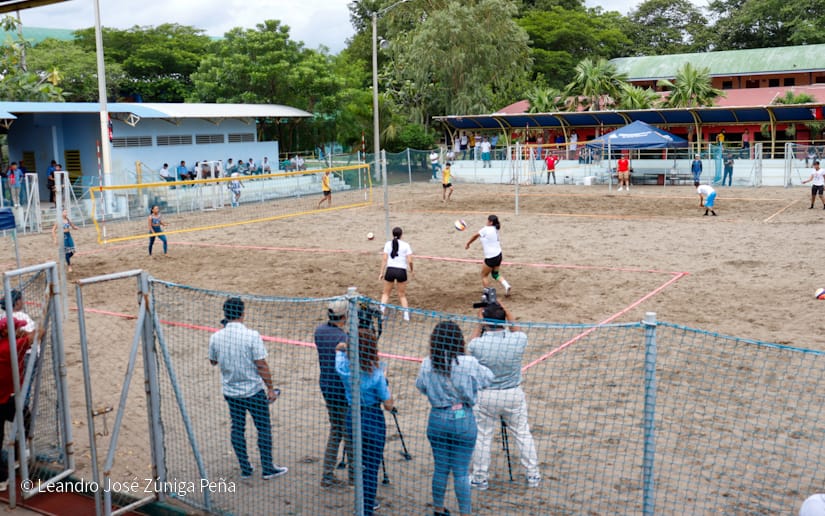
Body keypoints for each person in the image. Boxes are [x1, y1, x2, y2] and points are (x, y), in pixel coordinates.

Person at [417, 321, 493, 516]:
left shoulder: (427, 363)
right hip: (462, 416)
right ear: (458, 340)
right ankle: (465, 513)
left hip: (438, 417)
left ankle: (438, 509)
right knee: (461, 471)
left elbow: (421, 386)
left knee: (441, 468)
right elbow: (488, 378)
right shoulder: (468, 362)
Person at [208, 297, 288, 480]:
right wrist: (270, 388)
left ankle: (245, 467)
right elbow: (261, 365)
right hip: (253, 391)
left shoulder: (216, 337)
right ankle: (267, 467)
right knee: (263, 428)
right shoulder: (251, 335)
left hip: (231, 392)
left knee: (237, 428)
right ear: (243, 313)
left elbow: (213, 361)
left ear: (225, 314)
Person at [469, 302, 541, 491]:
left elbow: (472, 343)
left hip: (486, 395)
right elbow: (518, 331)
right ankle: (533, 474)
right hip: (512, 393)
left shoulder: (478, 344)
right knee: (522, 433)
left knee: (483, 437)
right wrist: (508, 313)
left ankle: (480, 477)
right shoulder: (518, 340)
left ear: (485, 321)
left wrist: (479, 323)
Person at [335, 327, 393, 516]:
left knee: (360, 462)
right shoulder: (376, 375)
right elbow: (389, 405)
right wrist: (384, 378)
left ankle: (363, 502)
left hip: (353, 416)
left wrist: (345, 346)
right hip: (372, 417)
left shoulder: (343, 366)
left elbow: (338, 349)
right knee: (372, 465)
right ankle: (367, 507)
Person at [314, 299, 353, 488]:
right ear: (345, 316)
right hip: (341, 391)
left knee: (336, 430)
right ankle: (355, 477)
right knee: (350, 434)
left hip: (327, 387)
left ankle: (327, 474)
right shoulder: (343, 339)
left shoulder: (320, 331)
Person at [0, 316, 32, 492]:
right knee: (26, 419)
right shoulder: (12, 347)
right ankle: (17, 457)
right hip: (6, 399)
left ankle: (6, 471)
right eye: (17, 328)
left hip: (5, 397)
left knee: (25, 418)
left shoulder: (9, 344)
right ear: (6, 332)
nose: (20, 330)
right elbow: (37, 335)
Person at [465, 214, 511, 296]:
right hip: (499, 255)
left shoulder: (486, 229)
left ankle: (488, 294)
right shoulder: (495, 228)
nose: (486, 222)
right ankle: (506, 285)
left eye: (488, 221)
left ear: (491, 222)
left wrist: (468, 243)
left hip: (491, 257)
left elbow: (475, 236)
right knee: (495, 274)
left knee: (484, 275)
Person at [380, 227, 413, 321]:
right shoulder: (406, 245)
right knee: (402, 294)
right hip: (401, 271)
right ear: (401, 235)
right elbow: (410, 260)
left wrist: (381, 272)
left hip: (390, 270)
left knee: (386, 293)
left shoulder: (387, 244)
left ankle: (381, 313)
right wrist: (411, 270)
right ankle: (406, 316)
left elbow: (384, 259)